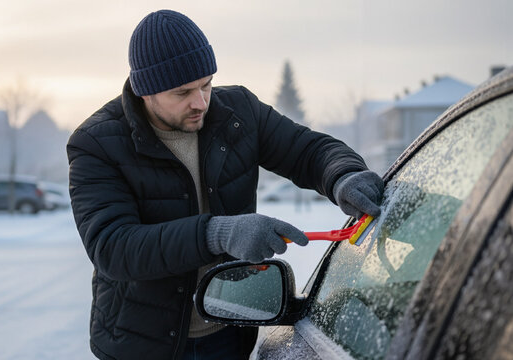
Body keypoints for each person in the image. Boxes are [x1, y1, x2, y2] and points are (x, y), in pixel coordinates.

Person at [67, 9, 384, 360]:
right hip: (142, 343)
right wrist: (218, 233)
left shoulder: (237, 112)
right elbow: (113, 247)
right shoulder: (96, 143)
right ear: (146, 91)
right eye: (183, 92)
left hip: (228, 332)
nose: (200, 102)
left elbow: (309, 150)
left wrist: (343, 175)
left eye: (206, 84)